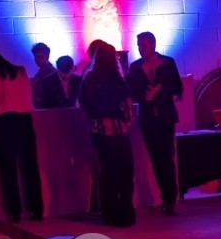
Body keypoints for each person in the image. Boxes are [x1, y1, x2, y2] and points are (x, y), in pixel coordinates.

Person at [0, 47, 43, 223]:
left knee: (7, 168)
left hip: (4, 122)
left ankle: (13, 212)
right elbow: (29, 97)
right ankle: (35, 209)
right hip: (25, 120)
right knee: (30, 166)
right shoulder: (21, 71)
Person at [78, 43, 135, 228]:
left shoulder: (89, 79)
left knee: (107, 171)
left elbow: (83, 105)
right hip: (117, 131)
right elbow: (127, 108)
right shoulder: (117, 80)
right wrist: (126, 122)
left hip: (98, 131)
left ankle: (108, 212)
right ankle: (124, 213)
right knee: (125, 172)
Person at [127, 32, 183, 215]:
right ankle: (165, 198)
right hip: (148, 118)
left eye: (143, 45)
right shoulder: (135, 67)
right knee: (156, 158)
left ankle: (171, 199)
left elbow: (178, 88)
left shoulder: (167, 63)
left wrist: (160, 90)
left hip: (165, 116)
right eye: (138, 45)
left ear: (153, 44)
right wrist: (145, 95)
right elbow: (132, 92)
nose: (140, 48)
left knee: (167, 157)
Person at [29, 42, 57, 108]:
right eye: (35, 57)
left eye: (40, 57)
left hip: (45, 110)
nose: (37, 60)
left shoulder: (51, 73)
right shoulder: (42, 72)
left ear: (47, 56)